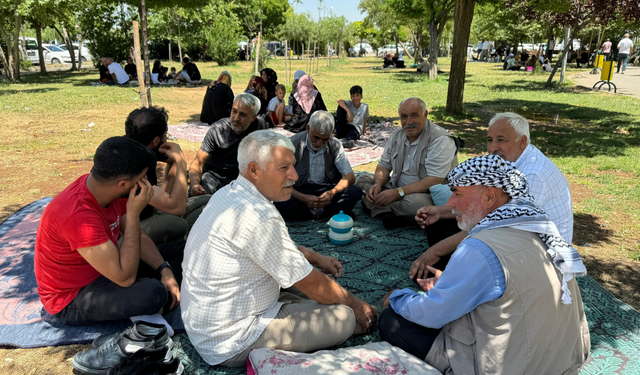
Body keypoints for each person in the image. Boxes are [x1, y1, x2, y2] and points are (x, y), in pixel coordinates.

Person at [181, 130, 377, 367]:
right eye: (284, 168)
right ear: (254, 170)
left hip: (209, 321)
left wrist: (315, 257)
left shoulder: (229, 192)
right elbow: (310, 282)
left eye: (293, 166)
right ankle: (357, 321)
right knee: (343, 316)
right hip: (230, 339)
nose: (294, 176)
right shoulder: (259, 216)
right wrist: (355, 304)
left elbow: (271, 249)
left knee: (325, 294)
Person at [379, 155, 590, 373]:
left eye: (457, 193)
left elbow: (433, 313)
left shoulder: (480, 248)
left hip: (513, 366)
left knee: (391, 320)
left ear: (490, 196)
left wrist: (397, 297)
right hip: (562, 362)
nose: (450, 203)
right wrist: (451, 283)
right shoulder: (539, 228)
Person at [34, 137, 182, 325]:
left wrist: (164, 269)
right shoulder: (78, 216)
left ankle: (159, 299)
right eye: (142, 178)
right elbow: (125, 278)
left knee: (182, 249)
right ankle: (156, 305)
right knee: (153, 293)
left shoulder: (108, 190)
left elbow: (137, 236)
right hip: (72, 297)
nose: (145, 183)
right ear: (122, 184)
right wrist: (134, 214)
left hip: (107, 269)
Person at [411, 112, 575, 280]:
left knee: (466, 249)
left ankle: (453, 281)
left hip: (541, 258)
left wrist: (436, 251)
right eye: (490, 140)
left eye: (501, 140)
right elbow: (481, 205)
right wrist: (439, 212)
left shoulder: (532, 175)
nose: (492, 148)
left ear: (522, 142)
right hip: (511, 234)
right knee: (438, 223)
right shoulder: (511, 161)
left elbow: (495, 227)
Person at [355, 98, 458, 230]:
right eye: (404, 117)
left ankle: (382, 209)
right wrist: (378, 184)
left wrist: (398, 193)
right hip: (396, 187)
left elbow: (434, 180)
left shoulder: (440, 139)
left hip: (426, 194)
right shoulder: (397, 135)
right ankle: (394, 213)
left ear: (425, 115)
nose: (409, 122)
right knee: (363, 180)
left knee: (415, 204)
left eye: (414, 116)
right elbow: (384, 166)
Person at [124, 106, 211, 245]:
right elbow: (178, 208)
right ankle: (183, 247)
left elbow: (162, 195)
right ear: (156, 141)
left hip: (145, 213)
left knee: (210, 201)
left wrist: (172, 163)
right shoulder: (135, 165)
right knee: (178, 223)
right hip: (126, 229)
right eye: (166, 134)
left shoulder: (133, 148)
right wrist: (181, 162)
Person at [274, 111, 362, 220]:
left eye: (325, 139)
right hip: (300, 190)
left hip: (327, 191)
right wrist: (303, 198)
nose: (319, 143)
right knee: (280, 202)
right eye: (316, 137)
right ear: (308, 128)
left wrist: (332, 193)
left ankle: (312, 213)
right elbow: (280, 181)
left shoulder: (335, 145)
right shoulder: (292, 144)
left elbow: (350, 177)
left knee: (355, 191)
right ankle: (330, 213)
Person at [189, 93, 268, 196]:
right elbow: (198, 162)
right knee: (200, 198)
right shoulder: (217, 130)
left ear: (253, 117)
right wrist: (195, 185)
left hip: (242, 179)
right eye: (234, 111)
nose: (236, 118)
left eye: (243, 114)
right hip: (214, 177)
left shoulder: (260, 126)